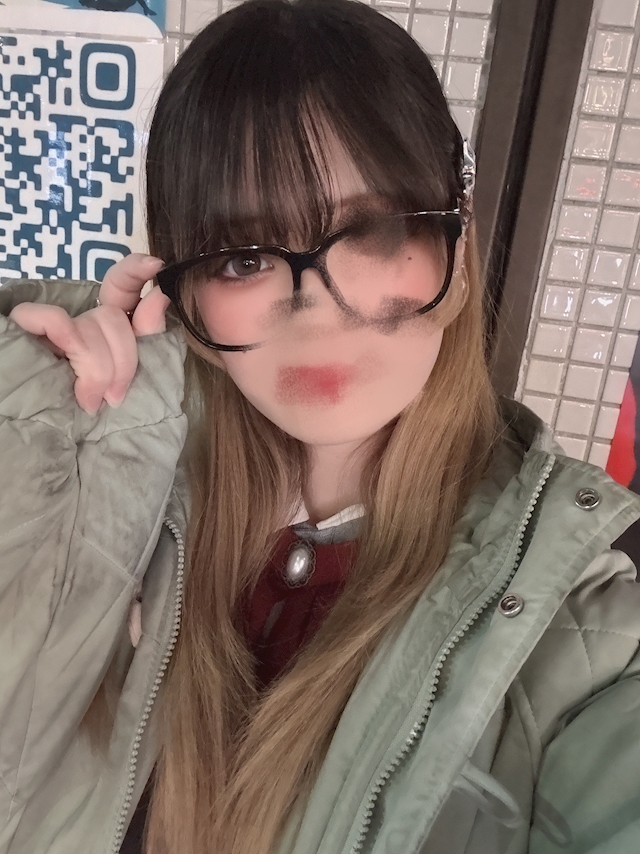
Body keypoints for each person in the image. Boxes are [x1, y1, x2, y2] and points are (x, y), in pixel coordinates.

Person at [2, 1, 640, 853]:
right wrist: (49, 446)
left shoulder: (583, 634)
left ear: (456, 239)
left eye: (371, 232)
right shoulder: (123, 493)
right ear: (181, 289)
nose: (313, 309)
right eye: (244, 258)